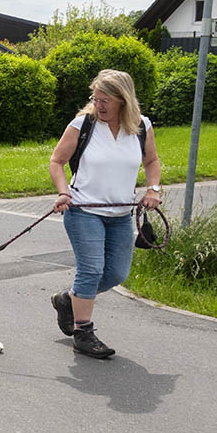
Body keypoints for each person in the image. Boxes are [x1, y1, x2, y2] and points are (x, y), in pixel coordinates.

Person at [48, 69, 161, 359]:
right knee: (91, 271)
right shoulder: (82, 125)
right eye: (95, 99)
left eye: (105, 100)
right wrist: (63, 192)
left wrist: (153, 190)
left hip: (122, 214)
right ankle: (83, 333)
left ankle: (67, 300)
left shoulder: (141, 126)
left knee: (116, 273)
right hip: (84, 211)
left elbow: (152, 161)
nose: (98, 105)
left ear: (123, 100)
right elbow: (57, 161)